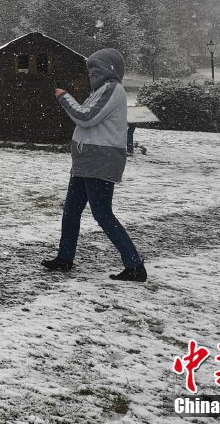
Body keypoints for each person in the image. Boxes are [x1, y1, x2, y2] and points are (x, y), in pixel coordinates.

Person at [42, 48, 146, 282]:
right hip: (87, 160)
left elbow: (85, 117)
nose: (90, 74)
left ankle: (135, 265)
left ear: (109, 70)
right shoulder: (100, 91)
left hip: (100, 161)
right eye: (89, 70)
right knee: (71, 211)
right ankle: (65, 258)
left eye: (95, 70)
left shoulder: (112, 89)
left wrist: (64, 97)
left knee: (103, 214)